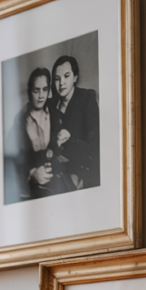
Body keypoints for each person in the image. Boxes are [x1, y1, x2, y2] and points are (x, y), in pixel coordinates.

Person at [49, 55, 100, 192]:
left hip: (83, 171)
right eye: (57, 79)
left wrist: (70, 139)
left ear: (75, 77)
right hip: (57, 171)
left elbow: (96, 145)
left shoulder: (87, 98)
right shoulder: (51, 104)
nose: (61, 83)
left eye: (66, 76)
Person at [4, 67, 55, 202]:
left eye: (44, 90)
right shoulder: (21, 120)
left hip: (56, 179)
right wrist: (32, 173)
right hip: (34, 185)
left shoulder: (55, 112)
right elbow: (11, 156)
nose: (40, 96)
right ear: (29, 92)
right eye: (36, 90)